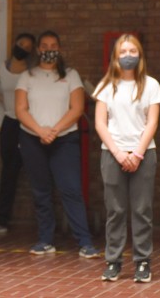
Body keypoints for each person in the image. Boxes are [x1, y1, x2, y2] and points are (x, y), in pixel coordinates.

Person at [15, 30, 100, 258]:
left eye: (53, 45)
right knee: (41, 191)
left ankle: (85, 242)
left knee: (71, 190)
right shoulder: (27, 76)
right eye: (44, 45)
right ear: (38, 49)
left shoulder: (71, 75)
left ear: (59, 49)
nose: (49, 49)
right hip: (32, 138)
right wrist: (40, 130)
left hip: (64, 140)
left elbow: (77, 108)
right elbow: (20, 110)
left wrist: (54, 130)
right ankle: (45, 240)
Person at [93, 34, 160, 283]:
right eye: (122, 51)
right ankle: (113, 261)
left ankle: (143, 262)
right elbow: (100, 123)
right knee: (115, 210)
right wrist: (119, 153)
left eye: (132, 51)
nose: (127, 56)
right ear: (115, 56)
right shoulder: (105, 85)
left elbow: (152, 121)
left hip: (144, 154)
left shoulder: (151, 85)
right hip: (112, 154)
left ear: (140, 54)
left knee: (142, 210)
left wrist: (138, 153)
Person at [0, 33, 35, 235]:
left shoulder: (32, 72)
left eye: (28, 47)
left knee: (36, 172)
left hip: (29, 123)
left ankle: (44, 223)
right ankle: (0, 220)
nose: (24, 48)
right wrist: (0, 97)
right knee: (8, 173)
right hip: (10, 123)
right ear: (15, 44)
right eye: (22, 44)